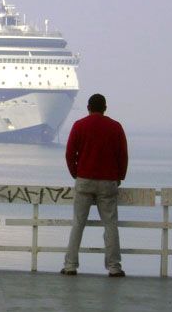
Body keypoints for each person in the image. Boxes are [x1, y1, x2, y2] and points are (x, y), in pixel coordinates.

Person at [60, 93, 129, 278]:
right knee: (110, 225)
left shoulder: (79, 125)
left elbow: (69, 154)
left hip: (84, 179)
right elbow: (122, 155)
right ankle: (114, 267)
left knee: (78, 224)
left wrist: (76, 173)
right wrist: (119, 176)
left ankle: (70, 266)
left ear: (88, 107)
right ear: (105, 108)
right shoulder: (115, 127)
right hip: (108, 182)